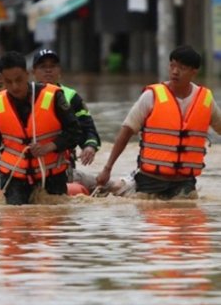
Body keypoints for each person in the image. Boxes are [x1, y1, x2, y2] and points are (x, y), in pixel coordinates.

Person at [94, 45, 221, 199]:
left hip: (185, 182)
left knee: (190, 212)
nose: (175, 71)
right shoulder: (151, 96)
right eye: (172, 65)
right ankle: (115, 185)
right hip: (150, 180)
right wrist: (107, 168)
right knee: (148, 209)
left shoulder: (205, 99)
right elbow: (126, 131)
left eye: (182, 68)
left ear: (194, 72)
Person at [0, 51, 81, 205]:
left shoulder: (53, 96)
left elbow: (75, 132)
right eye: (8, 82)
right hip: (14, 177)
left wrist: (50, 146)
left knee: (56, 216)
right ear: (2, 79)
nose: (14, 86)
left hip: (52, 174)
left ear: (27, 74)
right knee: (13, 217)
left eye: (19, 80)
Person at [31, 48, 101, 190]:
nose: (48, 70)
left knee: (105, 185)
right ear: (34, 72)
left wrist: (89, 146)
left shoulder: (71, 97)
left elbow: (87, 128)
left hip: (62, 167)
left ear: (59, 71)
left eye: (52, 66)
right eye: (43, 67)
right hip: (30, 167)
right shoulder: (25, 96)